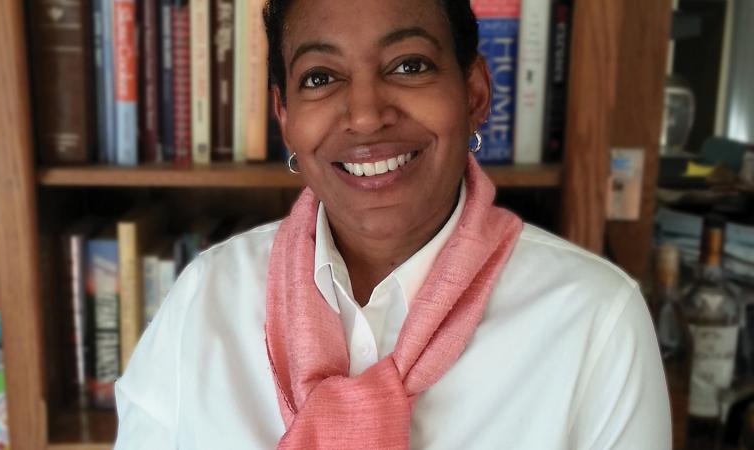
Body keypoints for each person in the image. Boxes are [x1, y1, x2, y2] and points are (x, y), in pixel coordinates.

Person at [114, 0, 671, 448]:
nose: (364, 114)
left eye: (409, 65)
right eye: (320, 77)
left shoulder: (596, 319)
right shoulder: (203, 300)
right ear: (285, 119)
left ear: (474, 93)